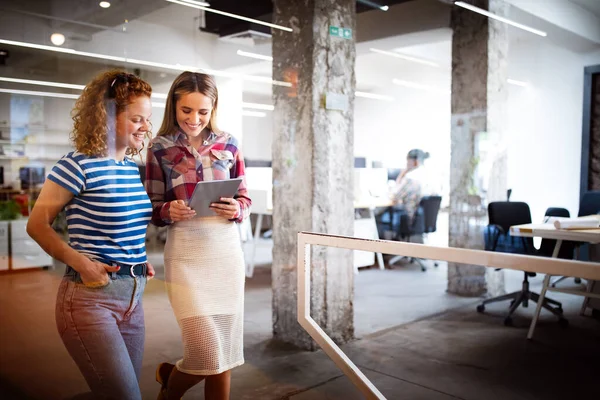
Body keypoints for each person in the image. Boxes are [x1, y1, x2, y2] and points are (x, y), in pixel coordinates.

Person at [26, 70, 156, 399]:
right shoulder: (77, 164)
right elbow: (37, 224)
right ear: (109, 117)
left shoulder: (129, 167)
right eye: (137, 118)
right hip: (89, 299)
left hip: (133, 298)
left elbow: (123, 227)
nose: (145, 126)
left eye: (147, 119)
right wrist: (82, 263)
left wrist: (137, 260)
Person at [145, 71, 251, 400]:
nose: (195, 119)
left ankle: (169, 378)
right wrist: (167, 211)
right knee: (205, 349)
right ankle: (170, 386)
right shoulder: (159, 148)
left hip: (225, 254)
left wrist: (237, 209)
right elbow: (151, 206)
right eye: (186, 111)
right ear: (173, 107)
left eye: (203, 112)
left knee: (224, 353)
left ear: (213, 108)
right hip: (186, 256)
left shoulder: (229, 143)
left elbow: (245, 199)